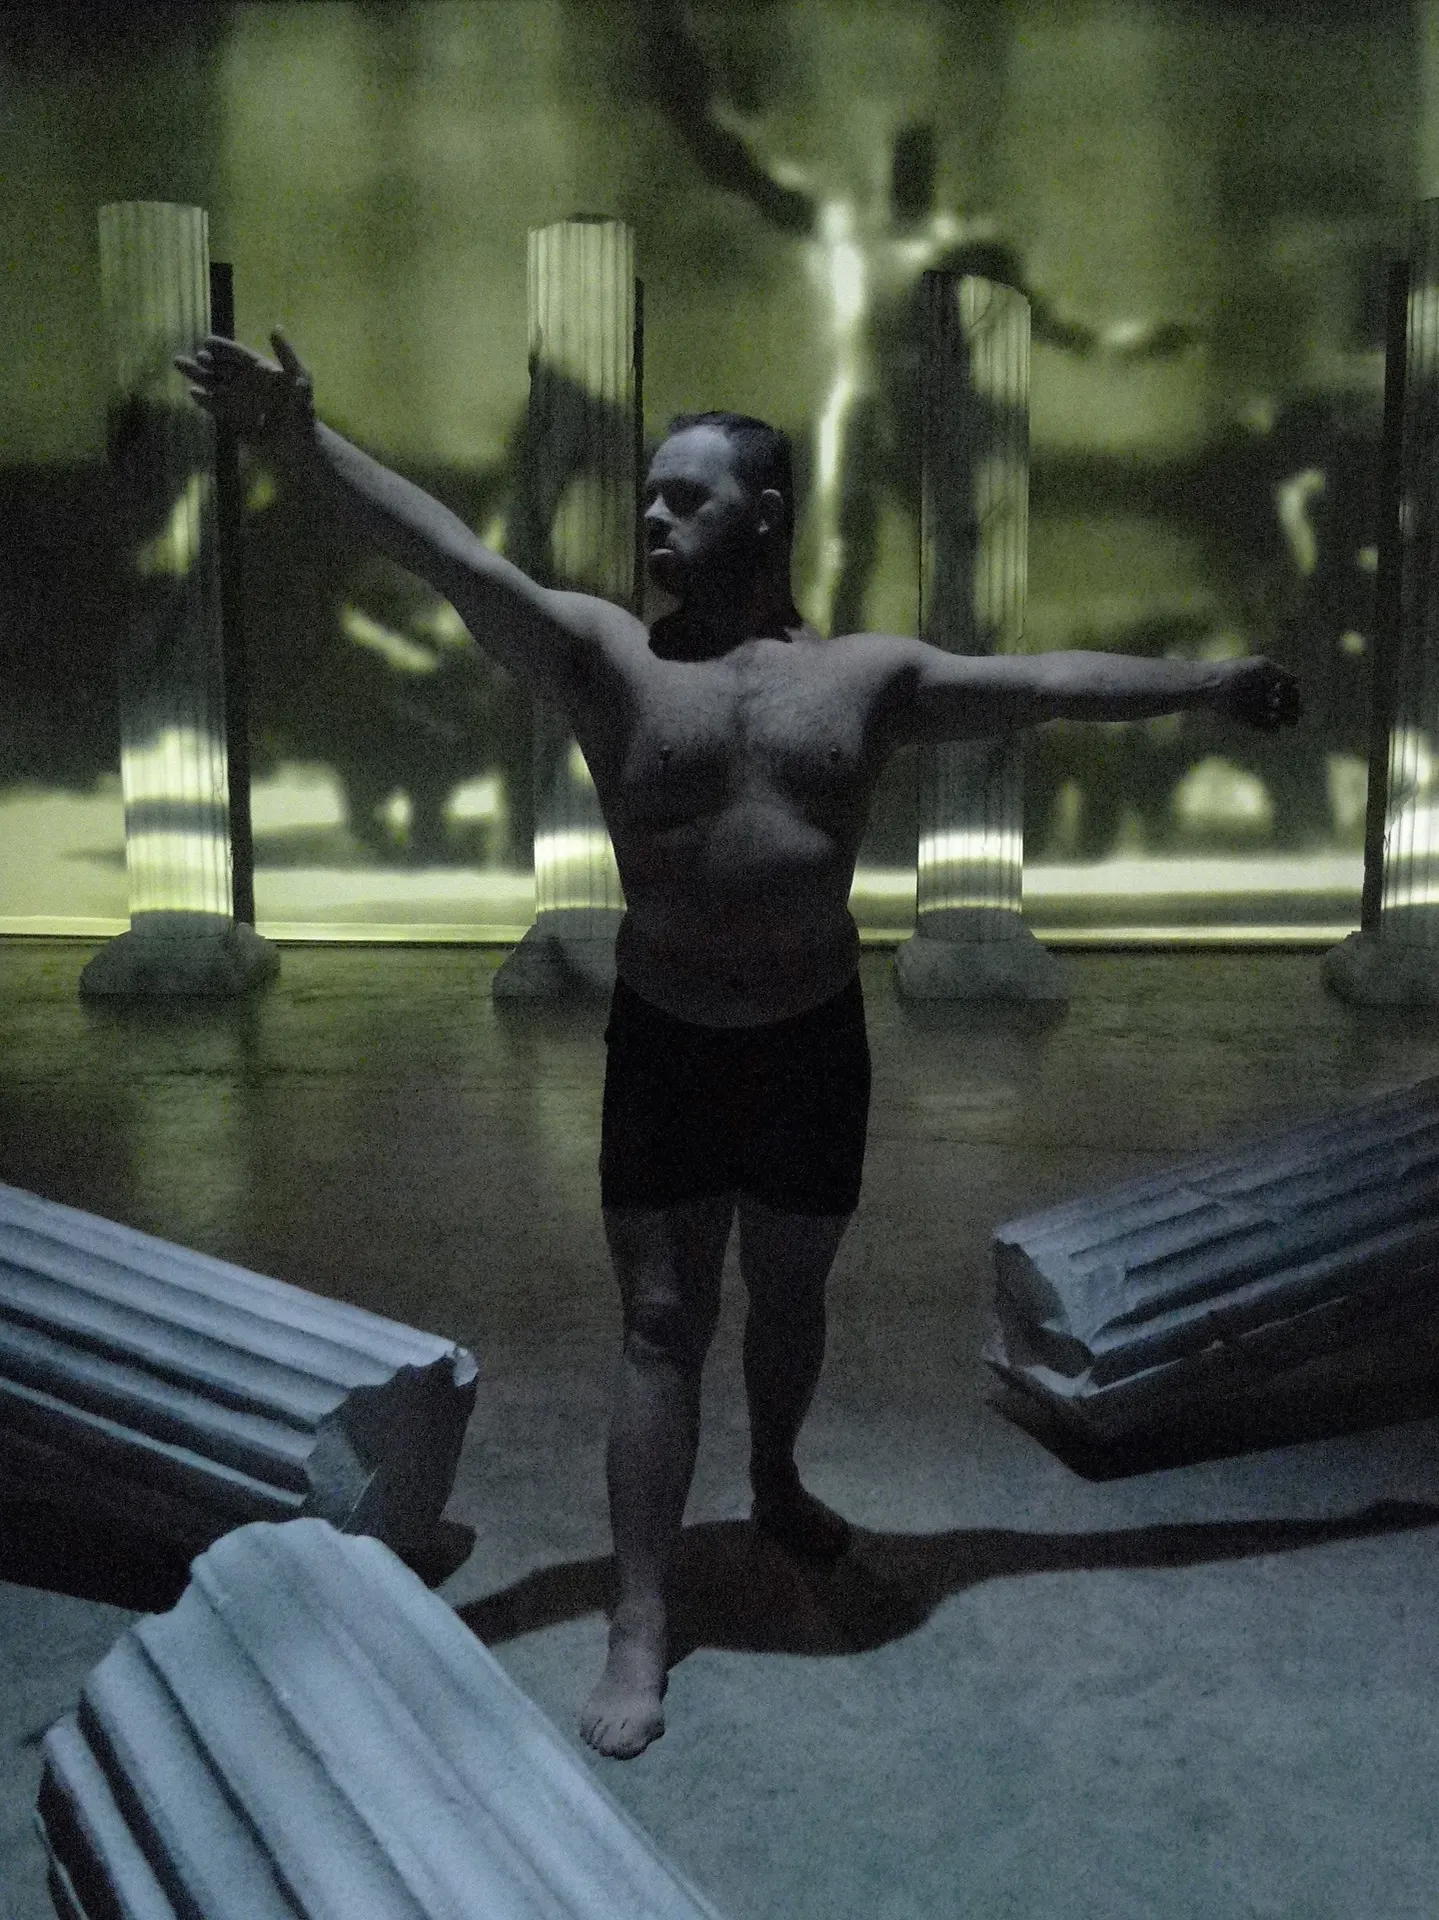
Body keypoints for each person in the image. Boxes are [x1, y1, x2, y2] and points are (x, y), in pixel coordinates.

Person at [176, 333, 1301, 1760]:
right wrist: (299, 443)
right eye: (648, 498)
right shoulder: (605, 659)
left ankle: (773, 1477)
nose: (652, 520)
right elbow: (449, 558)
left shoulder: (868, 678)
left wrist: (1209, 683)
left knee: (790, 1298)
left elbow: (1049, 683)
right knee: (659, 1326)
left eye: (685, 499)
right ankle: (639, 1618)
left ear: (764, 514)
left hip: (809, 1041)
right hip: (669, 1041)